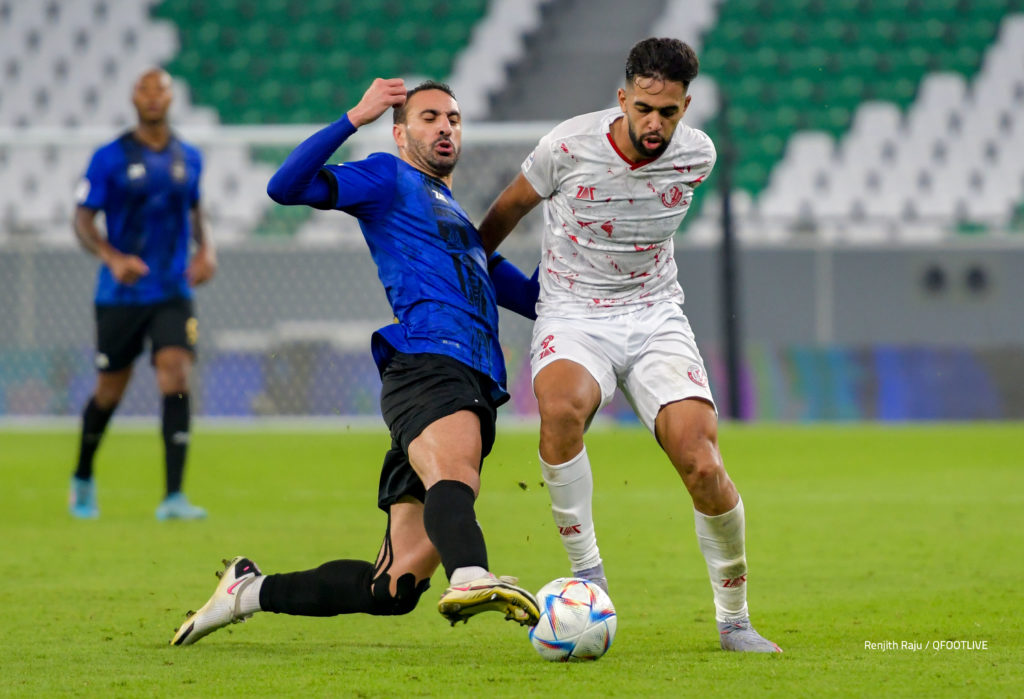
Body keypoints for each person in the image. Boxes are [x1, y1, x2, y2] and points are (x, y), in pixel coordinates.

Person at [170, 78, 541, 646]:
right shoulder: (389, 177)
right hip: (428, 364)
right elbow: (284, 186)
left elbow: (537, 299)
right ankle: (470, 575)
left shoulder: (462, 225)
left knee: (390, 591)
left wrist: (581, 243)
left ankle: (247, 591)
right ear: (400, 133)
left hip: (470, 377)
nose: (445, 127)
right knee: (456, 474)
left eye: (454, 119)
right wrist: (354, 117)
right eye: (429, 117)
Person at [477, 38, 782, 653]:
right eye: (644, 107)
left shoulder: (698, 156)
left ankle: (735, 620)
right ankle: (589, 578)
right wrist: (466, 271)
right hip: (572, 313)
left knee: (702, 463)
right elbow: (506, 210)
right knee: (559, 411)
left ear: (686, 107)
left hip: (654, 317)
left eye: (668, 112)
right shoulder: (566, 146)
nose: (654, 123)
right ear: (623, 97)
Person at [69, 67, 214, 521]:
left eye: (160, 90)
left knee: (175, 376)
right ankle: (83, 477)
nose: (152, 97)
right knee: (110, 391)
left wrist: (207, 249)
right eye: (144, 90)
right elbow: (82, 220)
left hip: (171, 288)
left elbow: (194, 208)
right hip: (120, 294)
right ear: (134, 98)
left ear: (171, 99)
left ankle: (173, 497)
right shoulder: (108, 157)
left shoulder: (188, 157)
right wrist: (112, 258)